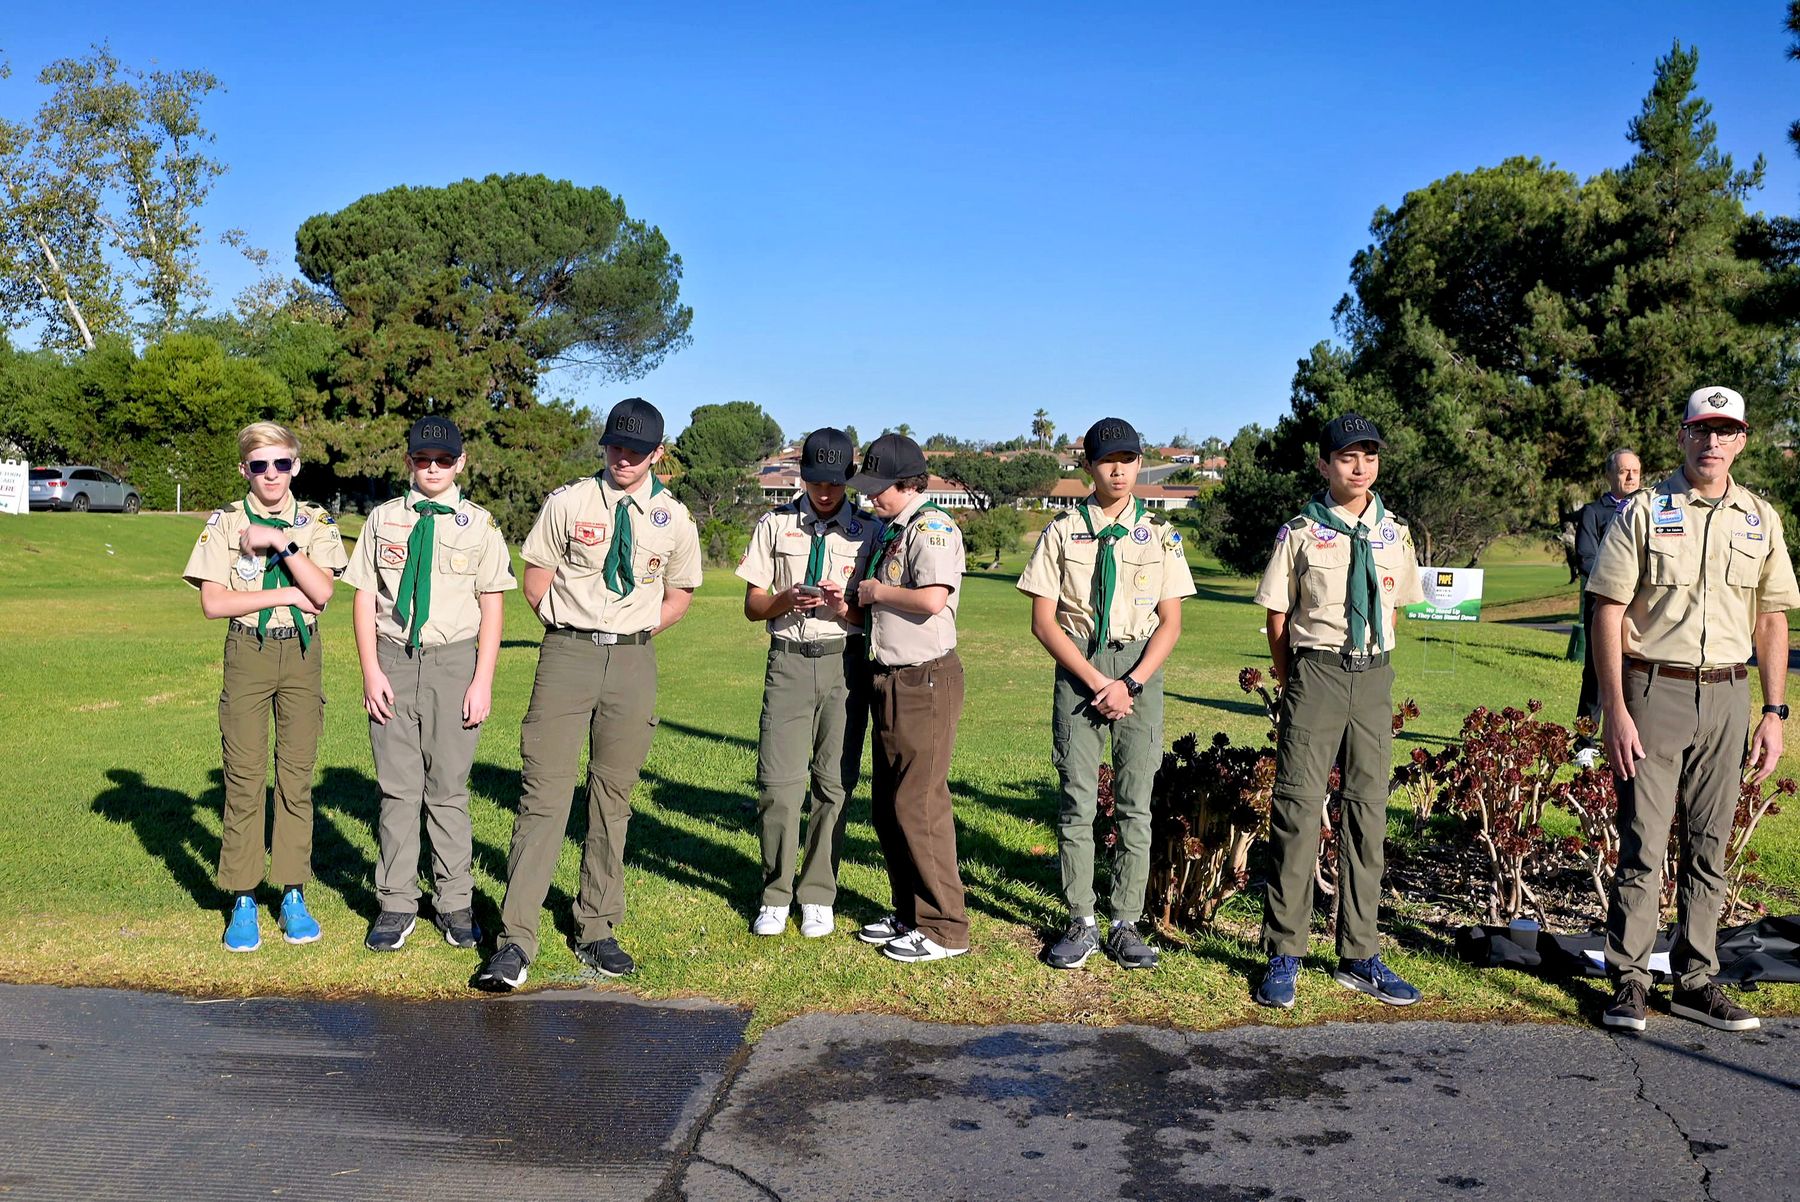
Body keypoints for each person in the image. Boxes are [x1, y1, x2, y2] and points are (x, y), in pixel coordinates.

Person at [1588, 386, 1798, 1033]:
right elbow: (1607, 610)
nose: (1712, 441)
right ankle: (1630, 979)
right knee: (1644, 843)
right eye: (1701, 429)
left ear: (1741, 440)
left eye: (1725, 430)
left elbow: (1771, 619)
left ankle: (1696, 981)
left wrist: (1774, 712)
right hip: (1656, 691)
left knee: (1709, 846)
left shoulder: (1760, 518)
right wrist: (1615, 708)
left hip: (1730, 695)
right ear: (1682, 435)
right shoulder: (1645, 511)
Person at [475, 398, 703, 991]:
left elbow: (680, 592)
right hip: (567, 654)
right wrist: (570, 628)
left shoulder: (674, 518)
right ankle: (516, 940)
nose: (623, 458)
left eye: (636, 450)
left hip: (633, 660)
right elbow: (536, 578)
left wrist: (635, 630)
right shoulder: (569, 502)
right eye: (615, 446)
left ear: (657, 453)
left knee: (612, 799)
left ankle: (597, 928)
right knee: (543, 796)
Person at [1250, 413, 1426, 1009]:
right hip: (1316, 674)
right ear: (1324, 464)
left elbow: (1394, 609)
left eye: (1370, 456)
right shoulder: (1299, 533)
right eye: (1348, 457)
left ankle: (1359, 953)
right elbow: (1277, 618)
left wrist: (1371, 660)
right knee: (1298, 813)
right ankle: (1284, 952)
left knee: (1368, 815)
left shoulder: (1394, 533)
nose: (1360, 467)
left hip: (1373, 676)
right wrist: (1295, 680)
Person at [1017, 417, 1195, 970]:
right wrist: (1098, 682)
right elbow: (1043, 622)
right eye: (1107, 461)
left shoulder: (1161, 535)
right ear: (1089, 467)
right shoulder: (1062, 531)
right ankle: (1082, 919)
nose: (1118, 471)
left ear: (1140, 464)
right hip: (1080, 668)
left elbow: (1171, 622)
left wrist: (1131, 682)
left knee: (1135, 804)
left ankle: (1125, 922)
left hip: (1140, 668)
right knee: (1076, 802)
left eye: (1128, 460)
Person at [343, 417, 516, 953]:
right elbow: (364, 597)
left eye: (443, 460)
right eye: (423, 459)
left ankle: (455, 901)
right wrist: (370, 670)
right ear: (409, 462)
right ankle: (396, 902)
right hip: (392, 660)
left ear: (460, 463)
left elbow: (492, 604)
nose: (433, 468)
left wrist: (482, 680)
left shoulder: (479, 525)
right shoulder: (383, 520)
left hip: (454, 664)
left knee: (448, 790)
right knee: (397, 789)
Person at [181, 421, 348, 951]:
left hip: (301, 654)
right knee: (245, 778)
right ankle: (243, 896)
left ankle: (293, 891)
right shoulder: (226, 522)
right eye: (259, 465)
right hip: (248, 652)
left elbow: (322, 592)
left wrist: (278, 540)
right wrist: (283, 596)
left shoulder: (315, 522)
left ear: (295, 466)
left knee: (296, 778)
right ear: (244, 470)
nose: (271, 474)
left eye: (281, 463)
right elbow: (214, 603)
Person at [735, 428, 881, 938]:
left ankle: (818, 893)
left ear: (848, 479)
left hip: (845, 664)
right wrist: (784, 600)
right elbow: (753, 606)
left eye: (835, 483)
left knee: (833, 785)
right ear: (802, 476)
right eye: (816, 481)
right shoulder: (774, 525)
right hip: (789, 662)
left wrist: (845, 607)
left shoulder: (868, 531)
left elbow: (875, 613)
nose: (824, 492)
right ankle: (775, 893)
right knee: (778, 786)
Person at [848, 433, 971, 963]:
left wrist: (876, 592)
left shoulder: (932, 528)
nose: (869, 496)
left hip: (924, 679)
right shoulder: (892, 528)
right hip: (890, 677)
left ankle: (944, 928)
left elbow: (932, 599)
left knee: (918, 803)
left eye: (879, 487)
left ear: (908, 484)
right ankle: (910, 912)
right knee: (888, 804)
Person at [1570, 448, 1643, 767]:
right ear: (1609, 475)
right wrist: (1619, 585)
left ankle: (1634, 735)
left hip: (1641, 608)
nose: (1631, 477)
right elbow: (1586, 558)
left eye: (1635, 471)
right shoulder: (1593, 512)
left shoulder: (1650, 508)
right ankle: (1585, 742)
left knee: (1639, 671)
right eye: (1624, 471)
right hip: (1604, 604)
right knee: (1597, 672)